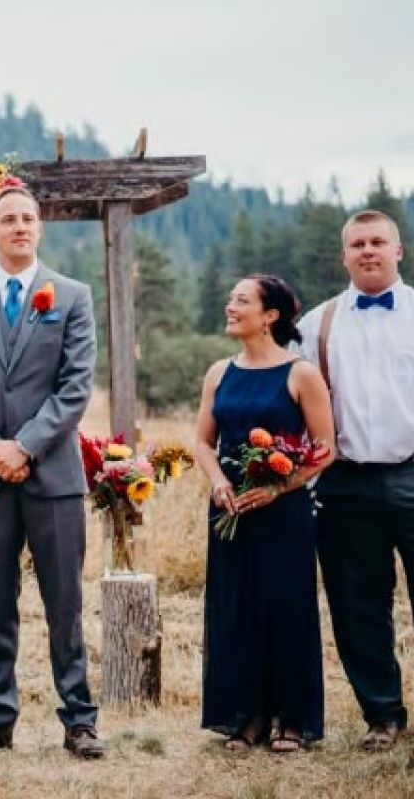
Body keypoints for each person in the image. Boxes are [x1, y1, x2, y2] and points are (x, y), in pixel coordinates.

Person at [0, 185, 103, 759]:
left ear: (41, 227)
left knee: (65, 602)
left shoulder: (73, 296)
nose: (20, 227)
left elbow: (76, 385)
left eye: (29, 218)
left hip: (53, 473)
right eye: (9, 219)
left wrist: (25, 446)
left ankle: (79, 720)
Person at [195, 274, 335, 753]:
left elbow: (325, 449)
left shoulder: (300, 374)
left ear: (270, 315)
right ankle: (247, 714)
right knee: (236, 610)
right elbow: (202, 442)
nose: (230, 306)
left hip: (283, 513)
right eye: (231, 298)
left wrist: (278, 488)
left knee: (285, 608)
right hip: (229, 509)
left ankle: (292, 719)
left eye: (241, 300)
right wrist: (218, 481)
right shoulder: (218, 373)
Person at [295, 209, 414, 751]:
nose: (368, 251)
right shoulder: (316, 325)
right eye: (358, 244)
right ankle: (383, 716)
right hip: (344, 482)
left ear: (398, 251)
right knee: (357, 604)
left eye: (378, 242)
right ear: (344, 255)